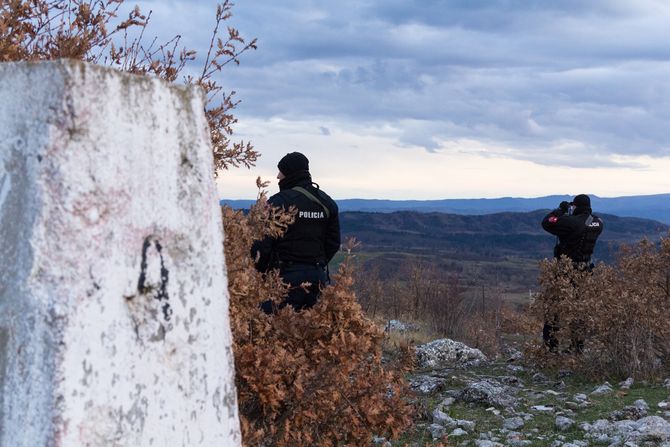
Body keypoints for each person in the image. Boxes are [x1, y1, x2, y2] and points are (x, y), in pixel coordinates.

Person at [251, 152, 340, 313]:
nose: (278, 177)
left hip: (284, 279)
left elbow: (262, 244)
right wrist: (316, 264)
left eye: (281, 172)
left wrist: (261, 273)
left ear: (290, 173)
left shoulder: (278, 202)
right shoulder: (327, 203)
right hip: (318, 280)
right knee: (310, 332)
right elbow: (333, 243)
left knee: (269, 329)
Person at [541, 194, 604, 352]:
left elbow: (547, 222)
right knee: (579, 309)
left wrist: (560, 210)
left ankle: (551, 348)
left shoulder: (572, 222)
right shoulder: (598, 223)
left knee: (554, 308)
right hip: (585, 270)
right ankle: (577, 348)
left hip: (566, 270)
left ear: (575, 206)